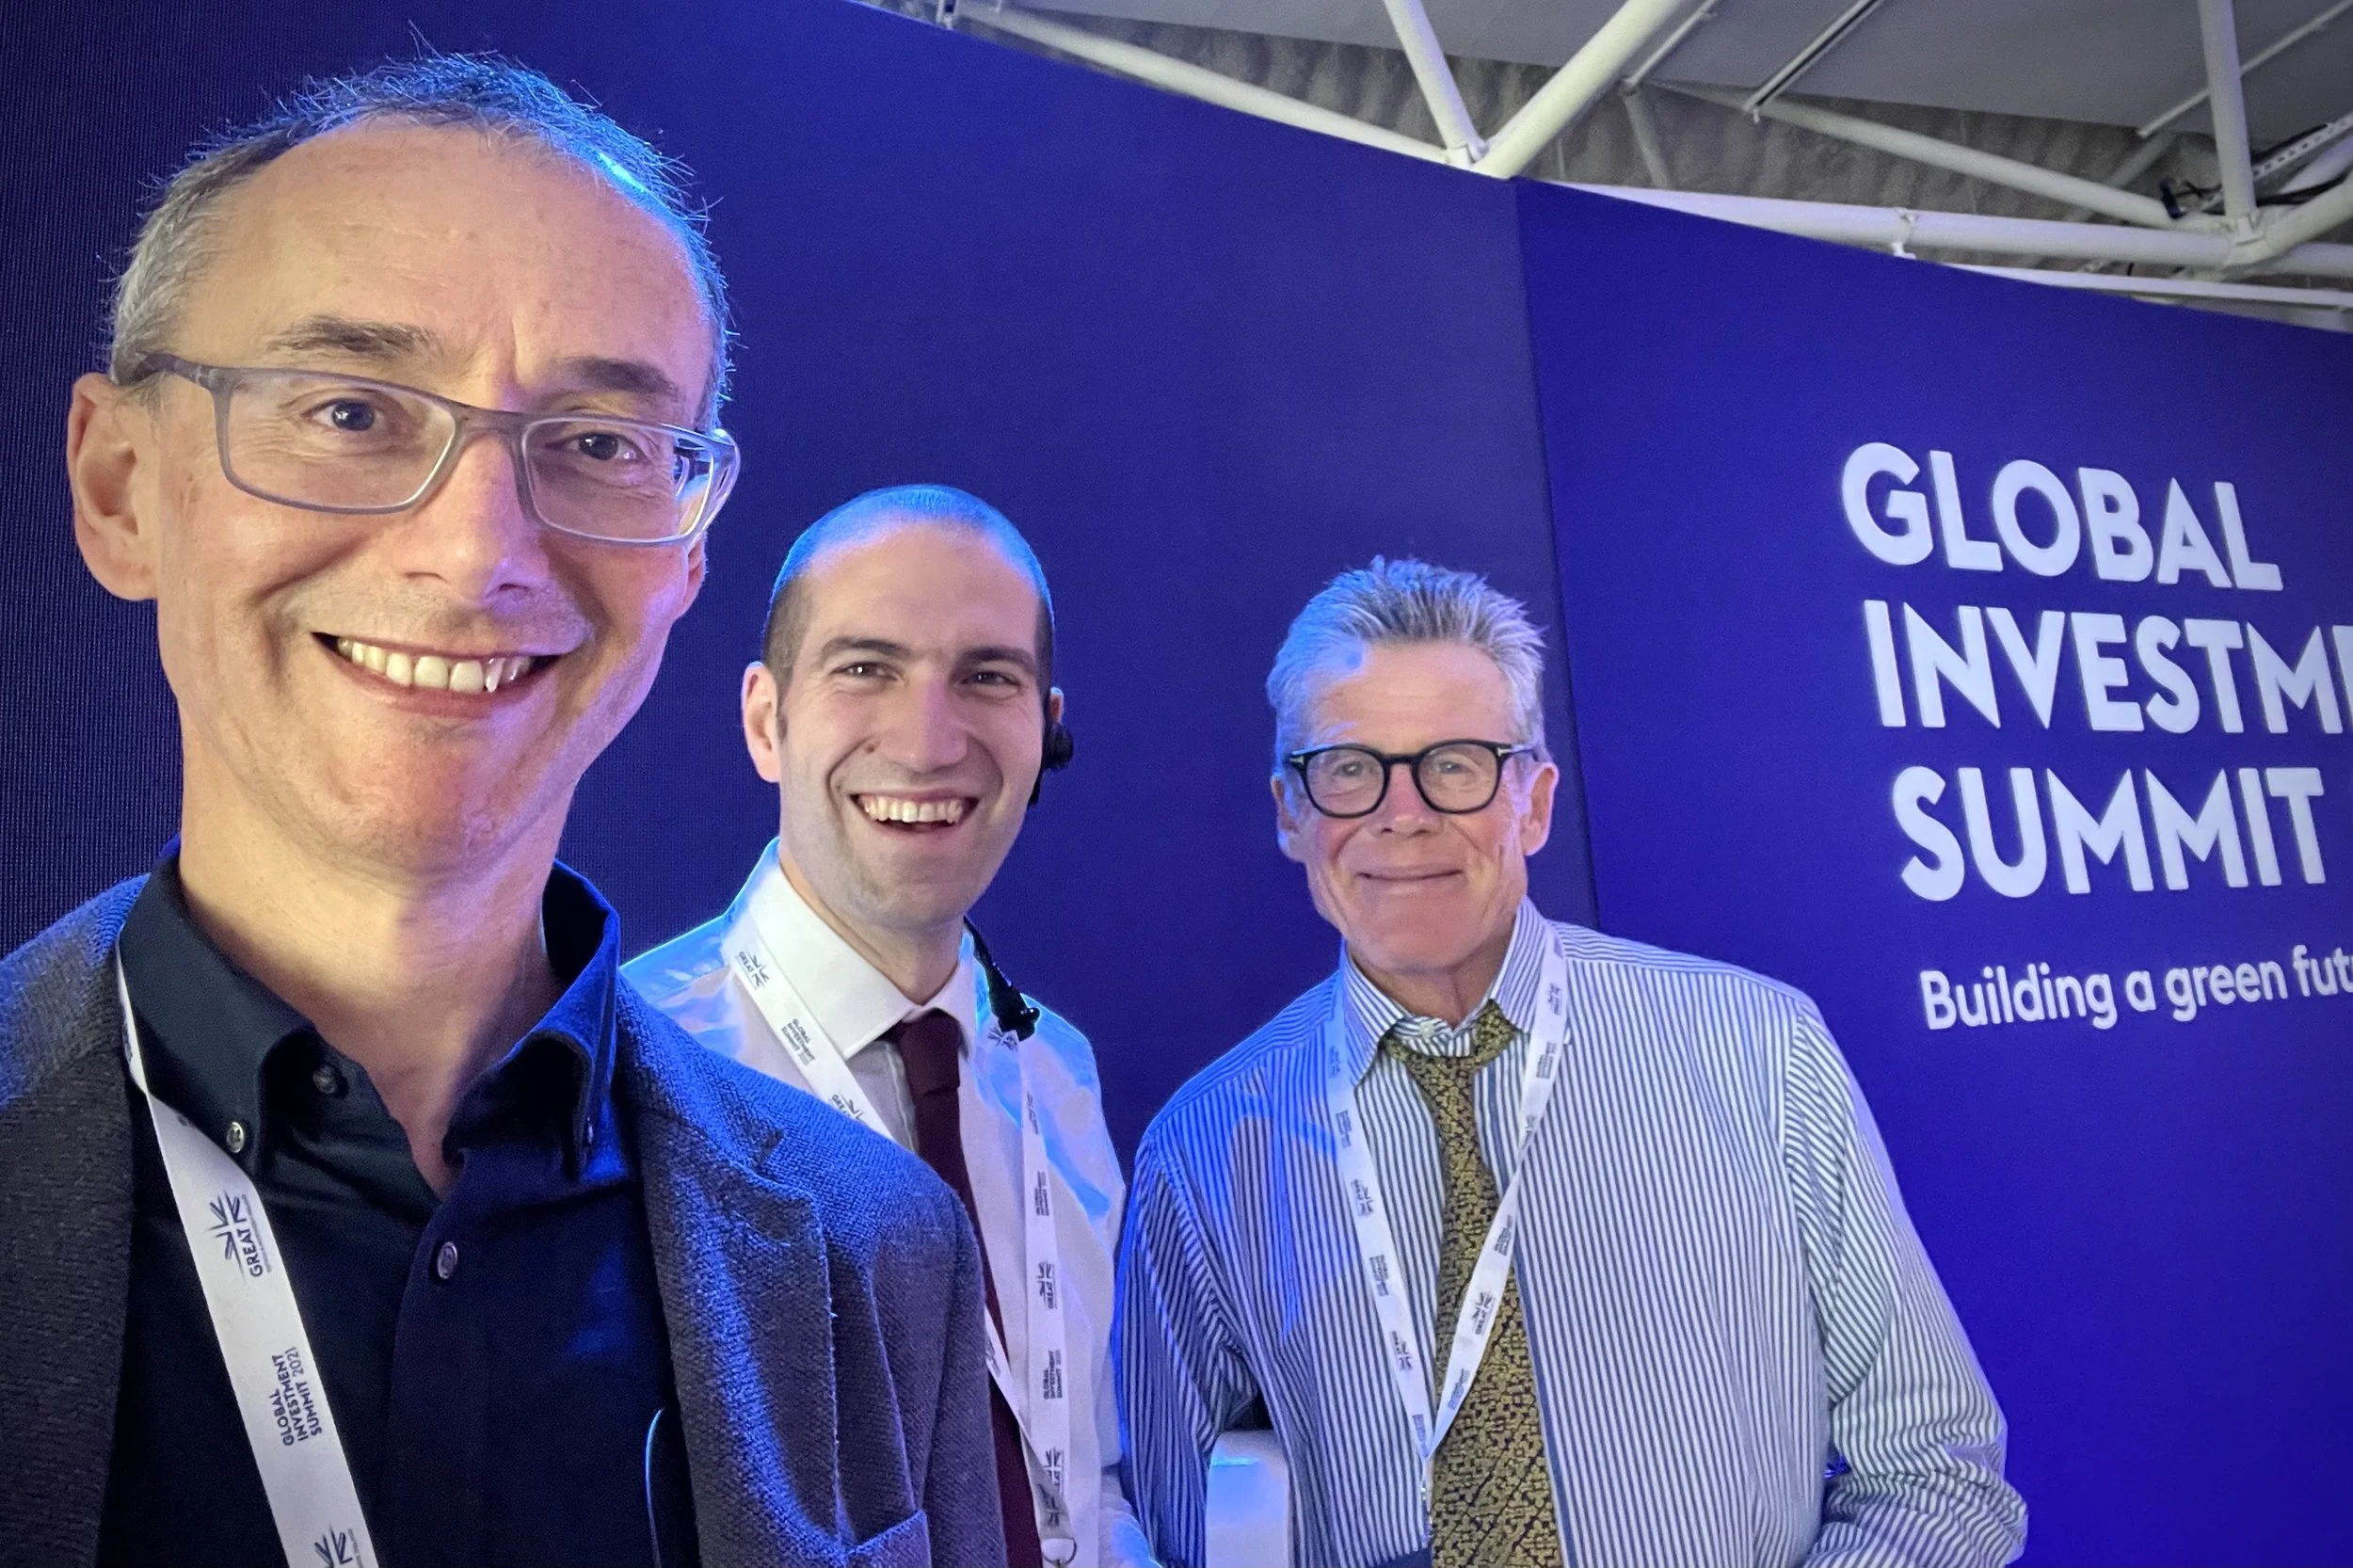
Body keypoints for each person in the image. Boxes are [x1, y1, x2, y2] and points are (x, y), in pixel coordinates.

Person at [0, 56, 1003, 1568]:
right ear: (119, 485)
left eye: (598, 443)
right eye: (351, 410)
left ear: (685, 559)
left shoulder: (882, 1252)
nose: (478, 552)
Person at [1116, 558, 2027, 1568]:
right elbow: (1167, 1538)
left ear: (1534, 802)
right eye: (1348, 768)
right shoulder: (1201, 1153)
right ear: (1291, 812)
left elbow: (1937, 1471)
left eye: (1454, 764)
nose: (1401, 813)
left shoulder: (1761, 1052)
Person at [627, 486, 1154, 1568]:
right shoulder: (634, 1075)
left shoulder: (1053, 1072)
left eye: (987, 677)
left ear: (1045, 726)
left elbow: (1078, 1484)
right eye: (866, 667)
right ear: (766, 721)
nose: (926, 742)